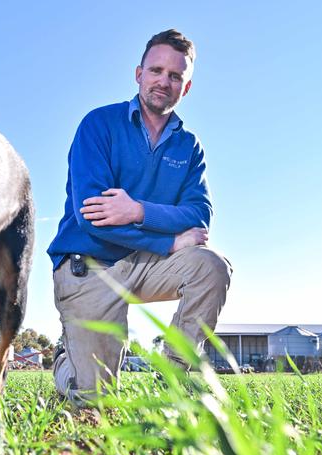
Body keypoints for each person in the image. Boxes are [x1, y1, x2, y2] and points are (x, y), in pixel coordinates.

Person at [47, 29, 232, 404]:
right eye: (156, 70)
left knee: (211, 267)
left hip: (147, 264)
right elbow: (91, 217)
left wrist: (137, 211)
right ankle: (67, 362)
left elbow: (199, 215)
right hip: (90, 266)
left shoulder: (189, 146)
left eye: (175, 75)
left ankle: (176, 379)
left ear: (187, 86)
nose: (164, 81)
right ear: (138, 74)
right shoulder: (98, 125)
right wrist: (169, 240)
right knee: (94, 398)